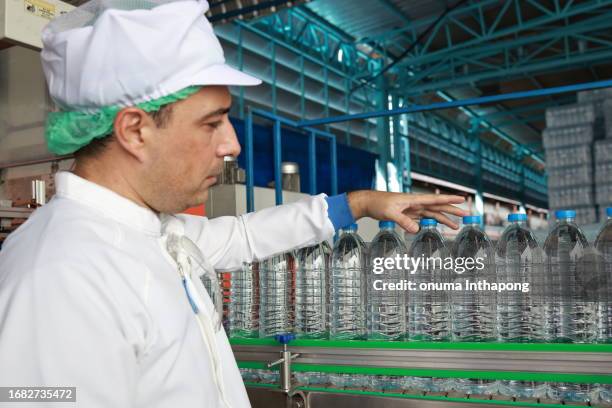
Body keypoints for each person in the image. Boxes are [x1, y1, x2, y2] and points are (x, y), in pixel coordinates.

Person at [0, 0, 467, 407]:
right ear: (135, 130)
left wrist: (361, 203)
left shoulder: (150, 232)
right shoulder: (60, 278)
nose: (232, 145)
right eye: (212, 123)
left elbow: (242, 236)